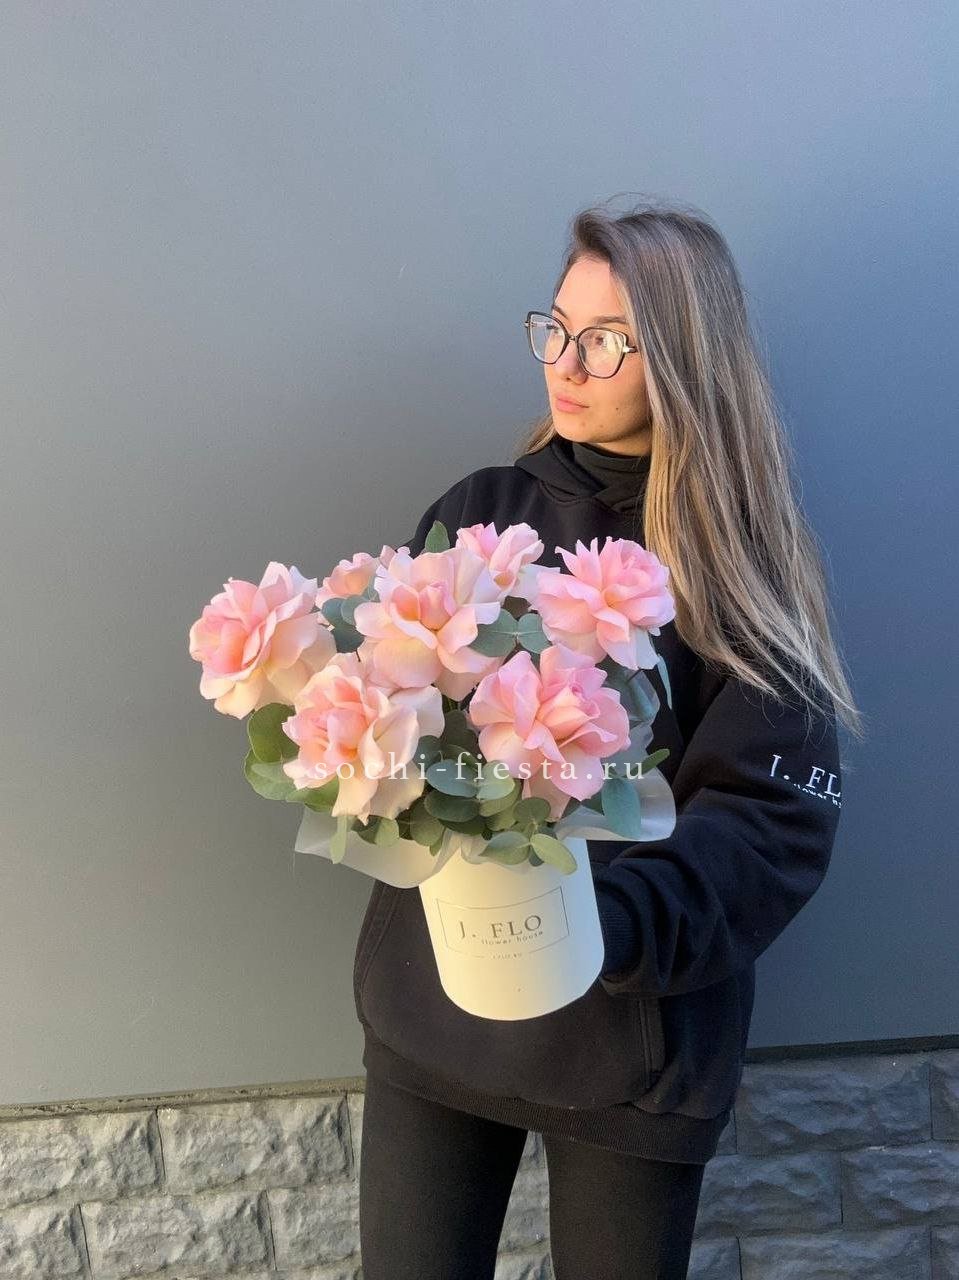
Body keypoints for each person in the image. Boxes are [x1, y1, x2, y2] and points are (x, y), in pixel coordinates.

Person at [354, 200, 863, 1280]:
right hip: (435, 1014)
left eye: (606, 340)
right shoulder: (483, 510)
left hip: (634, 1044)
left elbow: (769, 820)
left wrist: (591, 924)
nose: (565, 362)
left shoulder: (737, 566)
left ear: (681, 361)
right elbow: (391, 715)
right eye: (555, 327)